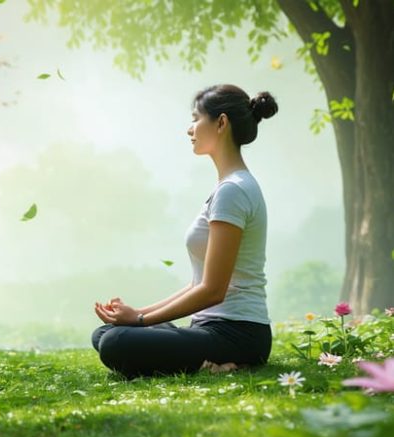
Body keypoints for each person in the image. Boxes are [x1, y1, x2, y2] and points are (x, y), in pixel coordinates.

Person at [91, 84, 278, 378]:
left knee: (117, 342)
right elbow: (198, 284)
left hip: (239, 334)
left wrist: (140, 321)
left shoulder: (234, 191)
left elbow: (213, 290)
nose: (189, 129)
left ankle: (225, 364)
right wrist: (138, 314)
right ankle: (205, 361)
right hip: (209, 328)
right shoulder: (226, 188)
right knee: (105, 333)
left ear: (221, 123)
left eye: (195, 119)